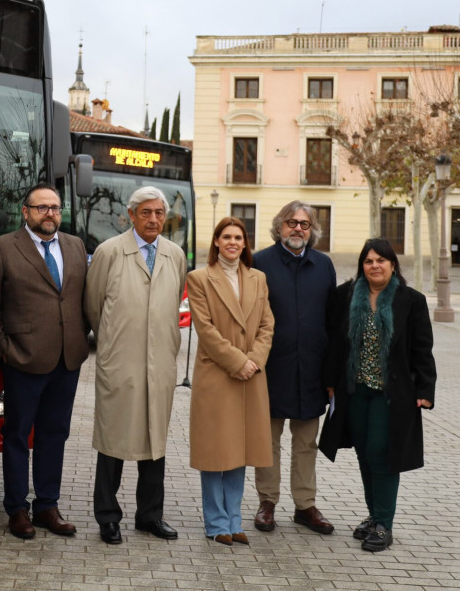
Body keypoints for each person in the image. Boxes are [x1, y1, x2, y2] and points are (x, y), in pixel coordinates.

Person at [0, 184, 89, 539]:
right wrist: (5, 349)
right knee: (16, 435)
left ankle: (47, 506)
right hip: (23, 359)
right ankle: (17, 509)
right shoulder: (1, 247)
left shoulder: (75, 246)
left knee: (54, 434)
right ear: (25, 211)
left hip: (67, 358)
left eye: (55, 208)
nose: (50, 214)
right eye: (41, 208)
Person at [85, 185, 189, 545]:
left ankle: (149, 516)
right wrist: (113, 343)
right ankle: (108, 517)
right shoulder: (110, 252)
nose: (154, 220)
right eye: (146, 213)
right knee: (113, 441)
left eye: (159, 213)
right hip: (121, 362)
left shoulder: (175, 255)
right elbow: (94, 305)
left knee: (154, 441)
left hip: (159, 363)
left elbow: (174, 302)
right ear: (130, 216)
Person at [320, 238, 437, 552]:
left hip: (392, 393)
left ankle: (384, 524)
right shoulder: (345, 296)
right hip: (354, 390)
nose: (374, 266)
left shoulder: (411, 300)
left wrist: (425, 389)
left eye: (381, 260)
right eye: (369, 261)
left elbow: (422, 348)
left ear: (392, 264)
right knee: (364, 452)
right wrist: (330, 382)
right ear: (362, 265)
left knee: (382, 452)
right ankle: (374, 516)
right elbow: (333, 342)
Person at [252, 201, 339, 536]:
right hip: (271, 369)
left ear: (312, 229)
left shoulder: (324, 265)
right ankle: (267, 503)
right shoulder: (260, 263)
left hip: (312, 372)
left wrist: (331, 374)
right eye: (291, 223)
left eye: (304, 224)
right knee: (268, 442)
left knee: (306, 443)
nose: (298, 229)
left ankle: (305, 506)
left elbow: (332, 323)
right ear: (279, 227)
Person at [187, 217, 275, 545]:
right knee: (215, 451)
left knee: (241, 450)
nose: (233, 242)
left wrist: (254, 361)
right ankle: (216, 523)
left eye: (239, 237)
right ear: (216, 242)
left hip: (251, 375)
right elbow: (205, 330)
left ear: (245, 243)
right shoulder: (199, 278)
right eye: (227, 237)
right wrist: (238, 362)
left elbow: (267, 325)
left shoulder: (258, 278)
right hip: (217, 374)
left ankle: (235, 520)